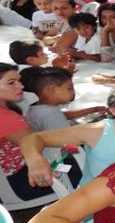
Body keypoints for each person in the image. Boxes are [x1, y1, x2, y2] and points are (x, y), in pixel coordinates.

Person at [0, 63, 81, 202]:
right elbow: (31, 143)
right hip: (23, 181)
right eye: (11, 82)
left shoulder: (7, 110)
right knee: (89, 168)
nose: (20, 86)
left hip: (18, 176)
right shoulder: (5, 118)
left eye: (19, 81)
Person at [21, 67, 105, 131]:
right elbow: (68, 141)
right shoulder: (51, 115)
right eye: (69, 88)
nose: (73, 92)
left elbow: (64, 115)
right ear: (52, 90)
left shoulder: (38, 107)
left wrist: (95, 109)